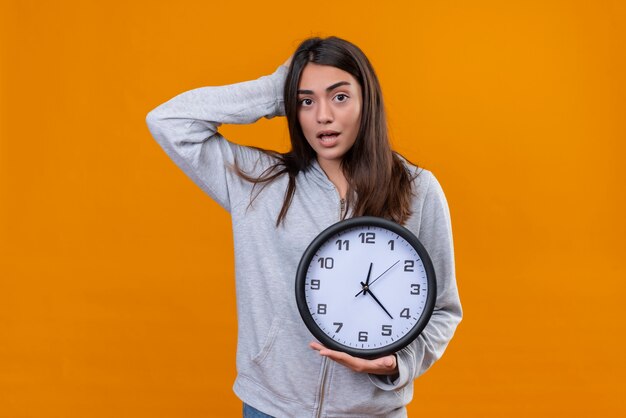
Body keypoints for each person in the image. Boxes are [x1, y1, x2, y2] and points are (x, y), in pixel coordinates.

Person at [146, 36, 462, 418]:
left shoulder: (417, 189)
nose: (322, 116)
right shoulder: (259, 183)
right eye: (306, 101)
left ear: (368, 101)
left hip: (372, 412)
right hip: (271, 408)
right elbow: (168, 121)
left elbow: (443, 309)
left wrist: (397, 363)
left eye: (340, 97)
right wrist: (274, 91)